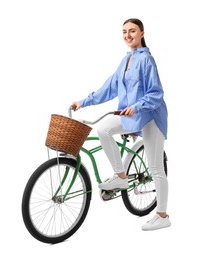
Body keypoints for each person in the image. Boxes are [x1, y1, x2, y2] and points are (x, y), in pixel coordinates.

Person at [71, 18, 171, 231]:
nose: (128, 35)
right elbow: (108, 88)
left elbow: (156, 93)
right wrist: (83, 102)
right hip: (132, 115)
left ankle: (162, 216)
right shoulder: (126, 60)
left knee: (155, 168)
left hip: (151, 115)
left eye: (132, 31)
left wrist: (137, 106)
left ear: (142, 33)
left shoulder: (147, 60)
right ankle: (121, 176)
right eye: (124, 32)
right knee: (103, 128)